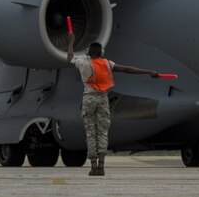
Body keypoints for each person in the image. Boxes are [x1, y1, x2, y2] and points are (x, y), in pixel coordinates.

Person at [67, 32, 159, 176]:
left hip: (89, 99)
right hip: (103, 98)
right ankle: (102, 166)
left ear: (88, 52)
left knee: (91, 131)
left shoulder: (83, 62)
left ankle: (93, 167)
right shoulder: (107, 64)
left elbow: (70, 58)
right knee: (103, 131)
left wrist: (71, 41)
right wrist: (149, 72)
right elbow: (128, 69)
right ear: (101, 53)